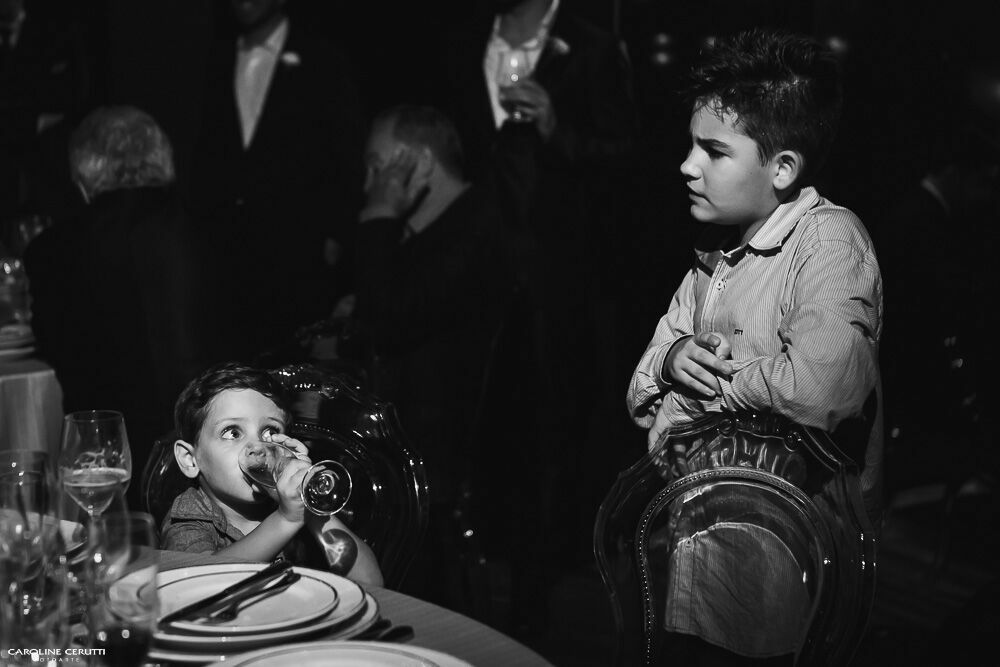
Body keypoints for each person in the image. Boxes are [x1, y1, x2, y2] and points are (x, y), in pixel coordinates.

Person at [626, 29, 883, 661]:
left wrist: (708, 391)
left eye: (714, 151)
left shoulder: (828, 242)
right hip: (699, 557)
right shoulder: (711, 259)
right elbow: (639, 396)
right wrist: (670, 358)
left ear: (783, 168)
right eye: (691, 146)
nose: (688, 165)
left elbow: (823, 387)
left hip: (786, 574)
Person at [348, 104, 513, 611]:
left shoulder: (479, 223)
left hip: (441, 472)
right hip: (406, 457)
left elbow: (397, 314)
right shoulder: (430, 231)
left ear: (417, 163)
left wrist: (377, 217)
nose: (370, 182)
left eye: (379, 166)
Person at [24, 106, 203, 511]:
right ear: (164, 161)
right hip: (222, 469)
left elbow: (54, 349)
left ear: (83, 181)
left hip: (107, 474)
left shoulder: (49, 252)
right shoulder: (215, 229)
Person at [190, 0, 364, 363]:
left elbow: (347, 153)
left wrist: (334, 240)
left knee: (300, 388)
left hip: (300, 260)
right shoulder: (215, 58)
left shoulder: (322, 58)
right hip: (228, 265)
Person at [162, 361, 383, 586]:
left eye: (269, 433)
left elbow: (371, 583)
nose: (257, 448)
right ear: (190, 460)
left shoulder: (288, 504)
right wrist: (286, 519)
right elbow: (198, 587)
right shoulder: (189, 518)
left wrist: (308, 503)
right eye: (232, 432)